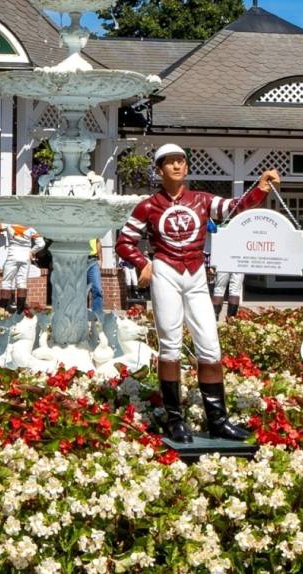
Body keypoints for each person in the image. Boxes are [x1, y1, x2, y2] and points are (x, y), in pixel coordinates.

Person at [116, 143, 280, 444]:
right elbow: (124, 241)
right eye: (170, 162)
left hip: (195, 274)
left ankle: (218, 421)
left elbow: (235, 207)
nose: (178, 166)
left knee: (210, 348)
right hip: (165, 272)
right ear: (160, 169)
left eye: (182, 161)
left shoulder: (201, 200)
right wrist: (142, 263)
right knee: (170, 347)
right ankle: (175, 422)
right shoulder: (148, 206)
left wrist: (260, 188)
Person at [0, 221, 44, 315]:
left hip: (12, 254)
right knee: (22, 282)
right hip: (25, 256)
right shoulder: (31, 227)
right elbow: (41, 244)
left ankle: (2, 312)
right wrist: (32, 251)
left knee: (6, 282)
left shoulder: (9, 223)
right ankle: (20, 311)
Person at [86, 238, 106, 319]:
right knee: (80, 291)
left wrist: (100, 259)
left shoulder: (94, 225)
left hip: (93, 260)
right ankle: (79, 316)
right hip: (79, 260)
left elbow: (97, 241)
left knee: (97, 289)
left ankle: (96, 316)